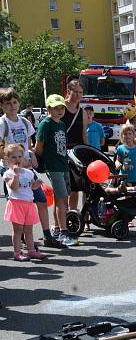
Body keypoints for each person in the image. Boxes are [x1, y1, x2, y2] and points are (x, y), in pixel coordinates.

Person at [0, 88, 64, 249]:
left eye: (14, 102)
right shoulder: (3, 123)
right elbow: (1, 148)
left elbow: (30, 144)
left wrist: (32, 155)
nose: (12, 106)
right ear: (2, 106)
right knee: (18, 204)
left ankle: (48, 236)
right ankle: (21, 238)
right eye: (8, 104)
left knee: (41, 200)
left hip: (28, 169)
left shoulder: (24, 122)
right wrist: (14, 164)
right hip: (12, 171)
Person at [35, 94, 76, 247]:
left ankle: (58, 229)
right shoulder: (45, 124)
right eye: (56, 108)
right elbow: (39, 147)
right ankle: (64, 233)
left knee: (63, 199)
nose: (59, 111)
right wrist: (41, 162)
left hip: (63, 164)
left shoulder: (62, 125)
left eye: (61, 108)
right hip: (53, 166)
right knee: (60, 199)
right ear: (49, 108)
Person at [3, 143, 47, 261]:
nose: (17, 160)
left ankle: (32, 250)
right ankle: (17, 253)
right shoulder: (8, 174)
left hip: (28, 203)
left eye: (19, 157)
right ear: (7, 160)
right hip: (16, 204)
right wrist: (16, 174)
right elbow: (14, 187)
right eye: (13, 157)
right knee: (18, 231)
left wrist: (37, 185)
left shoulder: (29, 173)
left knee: (29, 230)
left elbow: (31, 186)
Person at [61, 79, 88, 213]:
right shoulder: (60, 108)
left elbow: (84, 133)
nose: (78, 95)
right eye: (75, 91)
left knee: (75, 188)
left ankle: (72, 215)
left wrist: (88, 152)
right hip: (61, 152)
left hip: (77, 153)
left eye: (80, 92)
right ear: (68, 91)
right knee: (62, 189)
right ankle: (60, 220)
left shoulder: (82, 112)